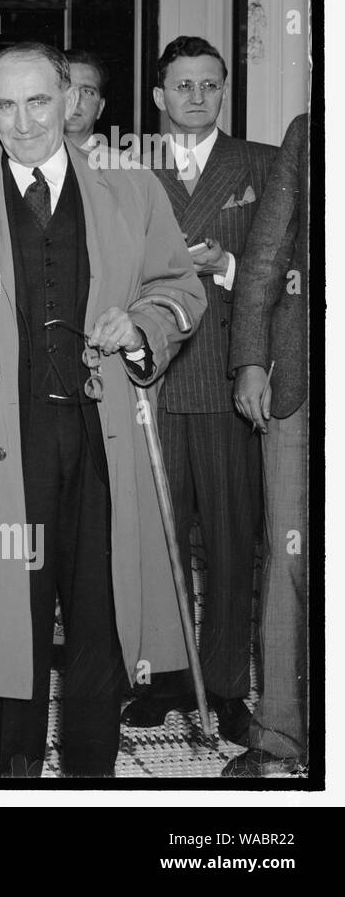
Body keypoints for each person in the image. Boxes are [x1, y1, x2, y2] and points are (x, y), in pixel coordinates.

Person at [0, 41, 205, 777]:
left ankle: (92, 777)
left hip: (102, 439)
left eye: (39, 101)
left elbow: (181, 289)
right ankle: (15, 776)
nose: (24, 121)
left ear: (70, 101)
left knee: (101, 618)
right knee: (8, 625)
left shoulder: (130, 187)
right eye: (6, 105)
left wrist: (143, 327)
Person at [122, 36, 275, 744]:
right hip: (148, 382)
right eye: (181, 86)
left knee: (230, 536)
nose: (196, 97)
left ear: (223, 91)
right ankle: (159, 678)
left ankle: (224, 686)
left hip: (221, 380)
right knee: (156, 540)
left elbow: (279, 274)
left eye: (209, 85)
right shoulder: (119, 169)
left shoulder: (260, 166)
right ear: (158, 97)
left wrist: (228, 265)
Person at [224, 112, 309, 776]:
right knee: (288, 555)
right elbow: (264, 257)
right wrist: (251, 358)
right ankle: (280, 730)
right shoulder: (310, 132)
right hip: (302, 380)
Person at [63, 49, 108, 151]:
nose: (76, 100)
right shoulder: (23, 163)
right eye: (67, 88)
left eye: (87, 92)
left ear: (100, 108)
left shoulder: (124, 166)